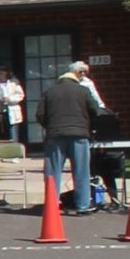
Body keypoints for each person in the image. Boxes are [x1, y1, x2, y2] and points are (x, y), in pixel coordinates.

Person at [39, 63, 97, 214]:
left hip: (55, 135)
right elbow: (95, 110)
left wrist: (49, 126)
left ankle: (52, 205)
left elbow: (40, 114)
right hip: (79, 134)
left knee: (53, 172)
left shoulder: (49, 92)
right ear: (76, 77)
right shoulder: (83, 91)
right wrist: (87, 125)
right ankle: (83, 205)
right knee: (81, 171)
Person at [0, 66, 26, 150]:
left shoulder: (14, 82)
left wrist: (10, 99)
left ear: (7, 72)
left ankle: (14, 154)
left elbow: (20, 95)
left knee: (13, 133)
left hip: (11, 110)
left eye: (3, 70)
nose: (1, 72)